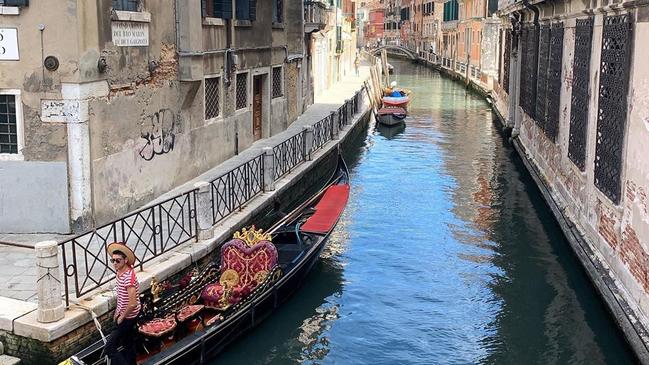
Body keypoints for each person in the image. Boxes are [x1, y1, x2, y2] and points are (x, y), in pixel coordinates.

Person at [105, 242, 141, 365]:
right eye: (113, 260)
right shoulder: (119, 272)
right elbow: (121, 297)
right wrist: (117, 312)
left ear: (125, 260)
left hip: (128, 316)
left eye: (118, 261)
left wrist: (121, 317)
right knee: (127, 343)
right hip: (123, 314)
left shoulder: (128, 278)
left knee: (109, 348)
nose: (114, 263)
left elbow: (132, 303)